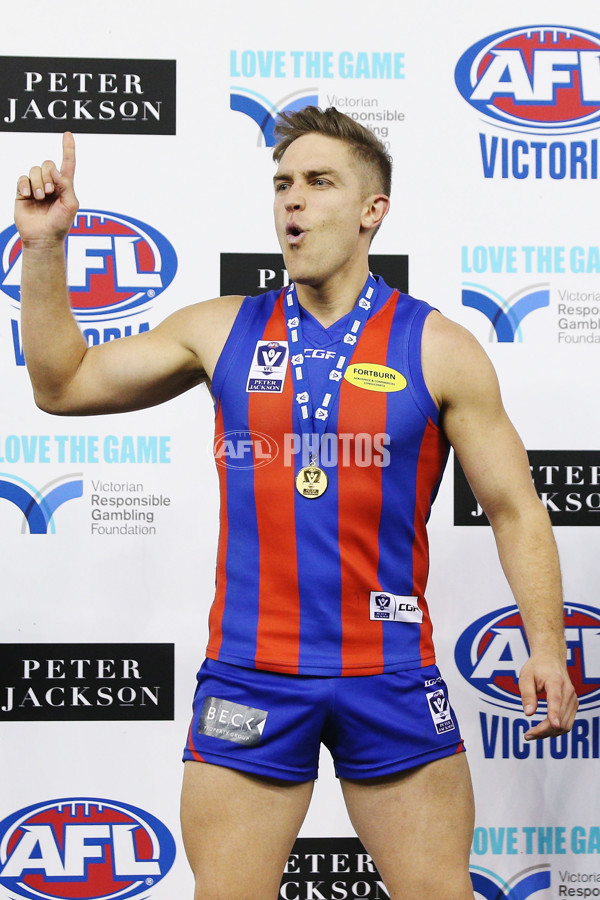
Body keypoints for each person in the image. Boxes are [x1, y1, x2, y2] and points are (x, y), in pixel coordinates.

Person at [15, 107, 577, 900]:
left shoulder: (438, 346)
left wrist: (546, 648)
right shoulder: (219, 329)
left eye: (318, 183)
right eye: (282, 184)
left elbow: (516, 508)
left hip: (388, 674)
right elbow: (61, 386)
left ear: (372, 211)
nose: (293, 202)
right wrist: (44, 249)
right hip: (253, 675)